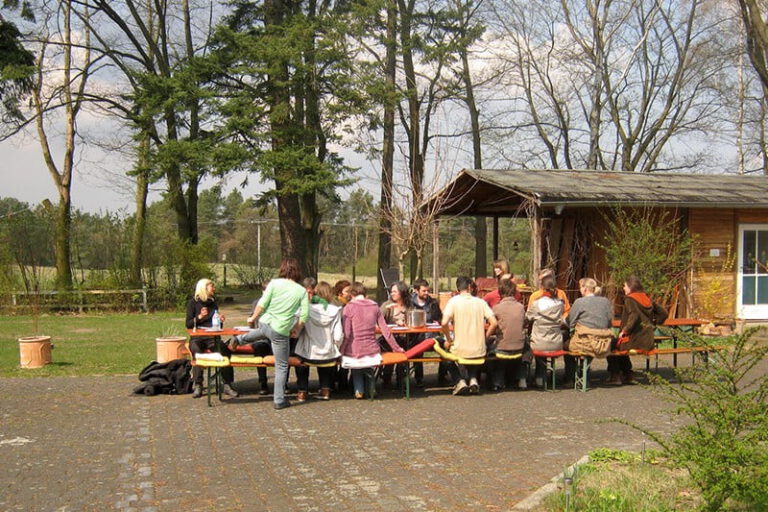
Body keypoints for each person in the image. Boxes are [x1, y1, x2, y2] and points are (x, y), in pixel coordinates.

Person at [231, 258, 309, 410]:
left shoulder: (273, 283)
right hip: (281, 330)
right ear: (297, 272)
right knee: (281, 365)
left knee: (263, 332)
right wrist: (297, 329)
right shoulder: (301, 291)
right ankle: (279, 400)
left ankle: (239, 339)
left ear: (283, 269)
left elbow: (262, 303)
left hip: (266, 323)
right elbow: (304, 315)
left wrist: (253, 317)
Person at [340, 282, 404, 399]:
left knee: (356, 368)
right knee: (369, 367)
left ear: (351, 294)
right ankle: (371, 389)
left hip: (355, 350)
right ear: (365, 293)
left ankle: (359, 390)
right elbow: (385, 330)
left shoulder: (348, 308)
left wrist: (342, 350)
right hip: (372, 350)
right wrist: (396, 348)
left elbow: (347, 334)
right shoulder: (374, 306)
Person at [441, 276, 498, 395]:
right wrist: (485, 337)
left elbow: (444, 323)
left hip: (460, 348)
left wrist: (449, 339)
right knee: (474, 353)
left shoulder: (453, 301)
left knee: (444, 353)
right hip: (479, 349)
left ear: (457, 289)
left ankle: (459, 380)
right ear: (470, 287)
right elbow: (494, 323)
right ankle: (473, 378)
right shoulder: (480, 302)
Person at [610, 276, 668, 385]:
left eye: (625, 286)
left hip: (635, 339)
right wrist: (654, 323)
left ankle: (616, 375)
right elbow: (664, 313)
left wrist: (625, 331)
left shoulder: (630, 299)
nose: (623, 288)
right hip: (647, 341)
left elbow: (634, 315)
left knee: (612, 345)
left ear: (631, 287)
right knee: (618, 344)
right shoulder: (647, 298)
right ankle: (628, 374)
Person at [186, 278, 238, 399]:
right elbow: (188, 324)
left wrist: (220, 321)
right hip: (197, 337)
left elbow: (216, 326)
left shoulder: (213, 303)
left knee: (225, 350)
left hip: (212, 337)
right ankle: (198, 384)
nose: (214, 288)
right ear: (204, 288)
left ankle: (226, 384)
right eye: (211, 286)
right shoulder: (192, 303)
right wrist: (199, 317)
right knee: (196, 350)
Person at [294, 282, 343, 401]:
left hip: (308, 352)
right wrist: (337, 347)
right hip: (328, 354)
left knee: (299, 355)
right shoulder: (335, 311)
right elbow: (338, 336)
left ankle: (302, 391)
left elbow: (296, 327)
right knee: (326, 359)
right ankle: (325, 390)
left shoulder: (306, 309)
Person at [564, 278, 614, 384]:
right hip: (603, 343)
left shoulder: (579, 302)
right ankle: (584, 371)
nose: (579, 290)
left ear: (585, 288)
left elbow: (570, 323)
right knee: (587, 345)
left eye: (580, 287)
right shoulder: (605, 302)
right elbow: (609, 323)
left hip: (585, 342)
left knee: (565, 345)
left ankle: (570, 377)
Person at [526, 275, 566, 387]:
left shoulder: (536, 304)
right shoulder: (560, 304)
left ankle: (539, 377)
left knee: (530, 343)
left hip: (539, 343)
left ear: (542, 287)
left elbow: (528, 318)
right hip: (556, 343)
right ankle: (546, 377)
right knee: (543, 344)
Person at [490, 278, 528, 391]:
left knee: (495, 354)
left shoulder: (496, 308)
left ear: (500, 293)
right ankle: (522, 378)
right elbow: (524, 323)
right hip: (518, 347)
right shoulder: (521, 307)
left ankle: (497, 382)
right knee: (526, 347)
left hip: (502, 347)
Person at [379, 280, 413, 388]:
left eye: (395, 291)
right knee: (389, 347)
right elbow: (377, 320)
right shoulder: (386, 305)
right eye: (391, 291)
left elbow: (413, 320)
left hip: (405, 337)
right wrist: (386, 309)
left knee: (404, 346)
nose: (392, 294)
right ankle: (387, 378)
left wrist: (405, 323)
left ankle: (400, 379)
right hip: (388, 338)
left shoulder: (409, 306)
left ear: (402, 292)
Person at [410, 279, 442, 386]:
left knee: (446, 348)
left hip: (432, 336)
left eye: (427, 291)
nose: (427, 293)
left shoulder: (433, 303)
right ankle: (418, 379)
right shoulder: (409, 303)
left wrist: (437, 321)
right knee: (417, 349)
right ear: (416, 291)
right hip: (415, 336)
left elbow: (439, 318)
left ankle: (443, 376)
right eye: (424, 291)